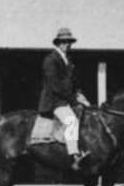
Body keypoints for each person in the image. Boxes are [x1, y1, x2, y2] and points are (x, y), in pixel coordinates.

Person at [38, 27, 91, 170]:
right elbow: (56, 86)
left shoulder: (68, 60)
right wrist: (74, 100)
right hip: (55, 102)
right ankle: (74, 155)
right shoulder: (50, 60)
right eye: (64, 42)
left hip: (66, 100)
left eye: (69, 42)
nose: (68, 44)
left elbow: (74, 83)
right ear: (58, 43)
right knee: (71, 121)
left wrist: (82, 97)